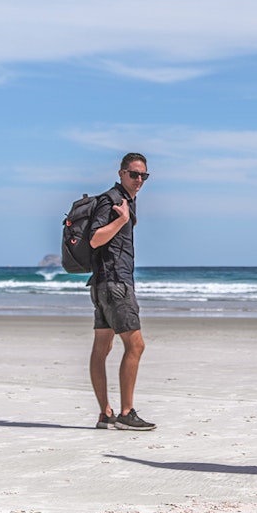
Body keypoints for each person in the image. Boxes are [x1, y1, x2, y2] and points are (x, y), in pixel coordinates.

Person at [87, 152, 155, 431]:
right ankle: (126, 413)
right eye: (134, 174)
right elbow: (94, 239)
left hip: (105, 283)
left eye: (143, 176)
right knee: (135, 345)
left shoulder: (126, 202)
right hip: (115, 284)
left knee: (102, 347)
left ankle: (105, 414)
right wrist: (121, 220)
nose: (139, 180)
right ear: (121, 173)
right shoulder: (113, 201)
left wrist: (128, 219)